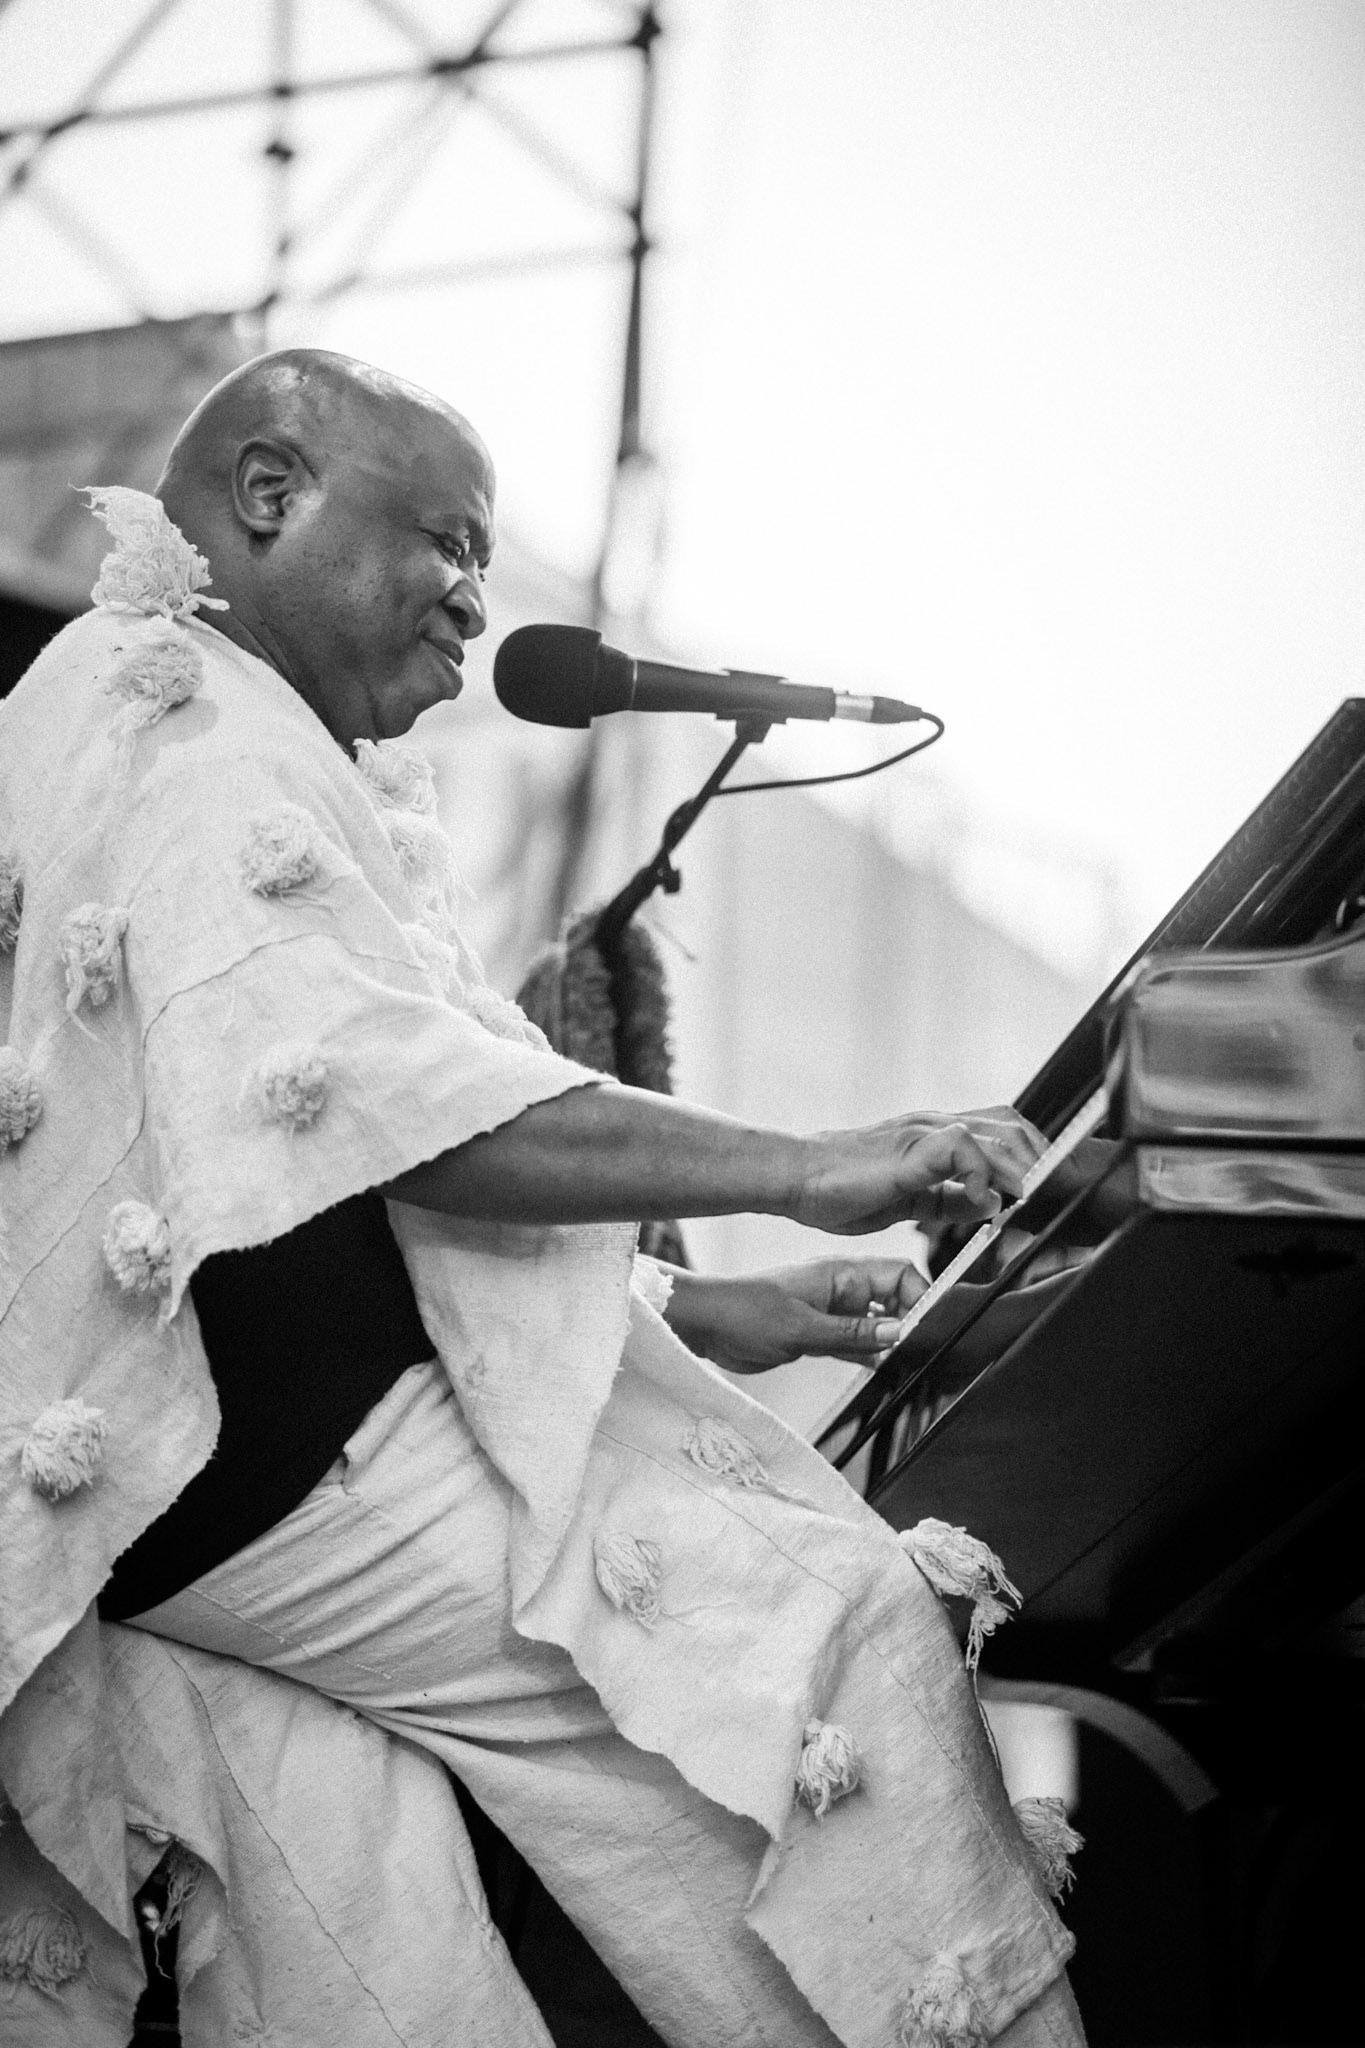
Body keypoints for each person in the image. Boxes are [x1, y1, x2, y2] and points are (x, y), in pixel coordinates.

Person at [0, 349, 1085, 2046]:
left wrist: (701, 1305)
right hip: (259, 1475)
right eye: (444, 541)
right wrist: (809, 1166)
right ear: (271, 497)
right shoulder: (197, 727)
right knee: (822, 1637)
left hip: (156, 1512)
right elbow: (395, 1106)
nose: (471, 606)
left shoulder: (142, 702)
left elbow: (294, 1172)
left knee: (374, 1983)